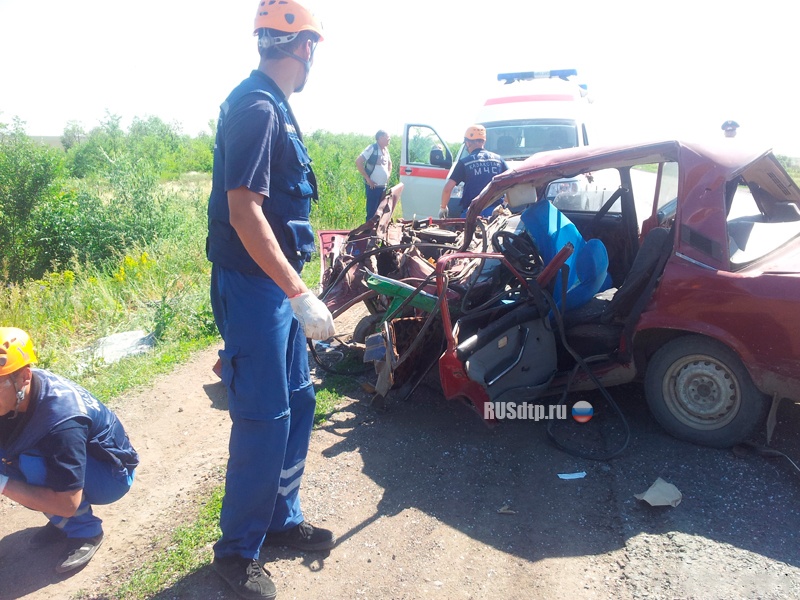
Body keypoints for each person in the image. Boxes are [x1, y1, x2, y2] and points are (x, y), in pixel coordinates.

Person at [205, 1, 337, 598]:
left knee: (299, 403)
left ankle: (281, 521)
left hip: (276, 290)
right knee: (263, 420)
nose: (314, 60)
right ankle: (237, 553)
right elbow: (243, 212)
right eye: (315, 50)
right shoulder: (258, 108)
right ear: (304, 48)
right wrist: (299, 292)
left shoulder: (274, 106)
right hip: (258, 291)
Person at [0, 327, 139, 574]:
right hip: (75, 456)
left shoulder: (61, 421)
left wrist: (2, 483)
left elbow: (68, 504)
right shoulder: (18, 393)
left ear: (24, 377)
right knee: (16, 459)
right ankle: (62, 523)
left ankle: (86, 531)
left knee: (30, 464)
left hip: (111, 473)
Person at [440, 124, 508, 218]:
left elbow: (448, 189)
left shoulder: (464, 163)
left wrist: (443, 208)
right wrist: (504, 203)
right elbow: (513, 184)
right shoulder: (499, 160)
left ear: (468, 143)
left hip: (472, 214)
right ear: (484, 141)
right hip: (495, 214)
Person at [356, 130, 392, 220]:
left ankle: (376, 232)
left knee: (380, 212)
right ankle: (368, 232)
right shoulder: (372, 148)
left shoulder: (386, 150)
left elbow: (390, 164)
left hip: (383, 187)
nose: (389, 139)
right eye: (387, 137)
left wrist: (388, 176)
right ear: (380, 138)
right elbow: (358, 162)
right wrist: (368, 179)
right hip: (373, 187)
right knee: (372, 213)